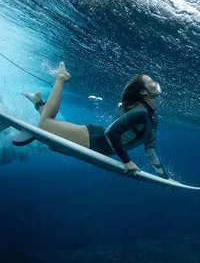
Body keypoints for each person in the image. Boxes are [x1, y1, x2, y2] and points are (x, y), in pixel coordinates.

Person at [23, 62, 169, 178]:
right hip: (94, 139)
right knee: (44, 125)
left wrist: (164, 177)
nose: (155, 82)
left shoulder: (153, 118)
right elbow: (112, 134)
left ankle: (38, 103)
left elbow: (150, 149)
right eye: (150, 81)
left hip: (98, 139)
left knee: (52, 141)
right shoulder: (141, 113)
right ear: (143, 92)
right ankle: (61, 78)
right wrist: (127, 161)